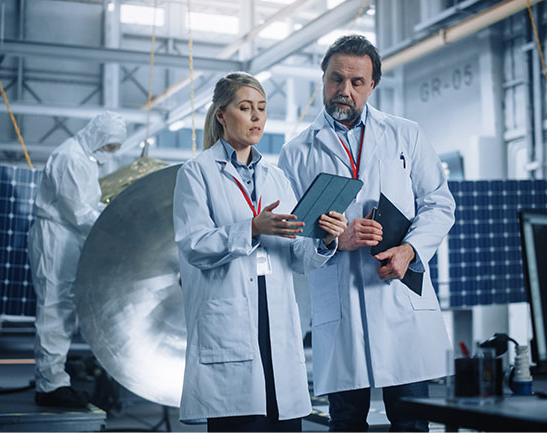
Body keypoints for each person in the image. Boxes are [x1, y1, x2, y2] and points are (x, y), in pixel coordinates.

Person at [278, 35, 455, 432]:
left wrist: (409, 250)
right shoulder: (297, 153)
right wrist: (333, 241)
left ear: (372, 85)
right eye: (336, 79)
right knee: (346, 420)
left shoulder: (405, 135)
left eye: (357, 82)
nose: (345, 90)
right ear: (322, 78)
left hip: (398, 296)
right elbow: (292, 243)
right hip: (340, 305)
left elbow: (440, 204)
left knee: (410, 420)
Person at [173, 72, 348, 432]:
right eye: (245, 108)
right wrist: (252, 228)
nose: (256, 117)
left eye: (262, 109)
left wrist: (325, 240)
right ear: (221, 115)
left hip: (276, 319)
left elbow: (298, 257)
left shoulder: (277, 178)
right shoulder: (197, 173)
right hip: (231, 321)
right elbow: (194, 246)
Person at [28, 112, 127, 408]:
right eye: (108, 147)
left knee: (63, 308)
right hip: (55, 237)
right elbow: (78, 213)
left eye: (114, 149)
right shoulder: (70, 158)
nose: (109, 154)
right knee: (54, 307)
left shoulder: (84, 158)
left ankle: (54, 378)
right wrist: (114, 228)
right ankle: (49, 386)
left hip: (68, 236)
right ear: (97, 136)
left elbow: (87, 205)